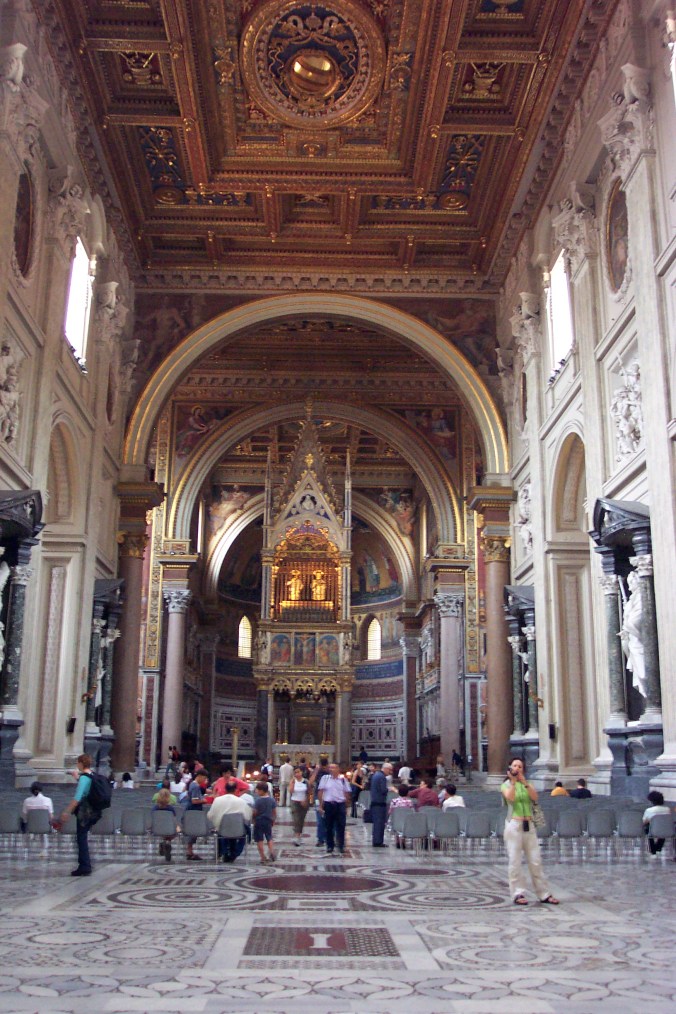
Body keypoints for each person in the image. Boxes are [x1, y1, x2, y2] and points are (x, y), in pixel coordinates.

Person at [501, 757, 559, 906]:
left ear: (523, 769)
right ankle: (517, 893)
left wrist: (524, 782)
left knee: (535, 860)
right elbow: (511, 799)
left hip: (529, 825)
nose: (517, 768)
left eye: (520, 766)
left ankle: (543, 893)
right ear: (510, 768)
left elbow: (535, 798)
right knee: (515, 861)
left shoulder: (528, 785)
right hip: (514, 824)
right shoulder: (506, 785)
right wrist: (513, 782)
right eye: (514, 766)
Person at [58, 753, 99, 877]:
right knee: (82, 836)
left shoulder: (84, 778)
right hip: (93, 810)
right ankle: (85, 864)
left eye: (77, 763)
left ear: (81, 763)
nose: (77, 765)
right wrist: (77, 778)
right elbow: (87, 788)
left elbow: (77, 797)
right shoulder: (92, 775)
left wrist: (67, 811)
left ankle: (84, 866)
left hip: (84, 811)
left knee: (81, 837)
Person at [208, 781, 252, 862]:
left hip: (222, 830)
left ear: (225, 789)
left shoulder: (217, 800)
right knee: (246, 830)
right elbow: (247, 817)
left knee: (222, 831)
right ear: (236, 790)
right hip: (237, 830)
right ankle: (235, 853)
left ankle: (223, 852)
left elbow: (210, 816)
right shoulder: (241, 802)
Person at [317, 762, 352, 855]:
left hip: (340, 804)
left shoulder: (343, 780)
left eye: (334, 767)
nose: (331, 769)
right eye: (330, 767)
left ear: (338, 769)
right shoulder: (325, 779)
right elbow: (320, 791)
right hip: (329, 804)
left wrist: (347, 805)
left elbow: (347, 792)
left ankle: (340, 845)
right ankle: (330, 845)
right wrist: (320, 805)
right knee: (328, 826)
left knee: (341, 825)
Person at [184, 770, 209, 860]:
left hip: (193, 811)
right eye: (204, 778)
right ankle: (189, 851)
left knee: (193, 832)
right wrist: (204, 800)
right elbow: (194, 800)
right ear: (199, 776)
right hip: (193, 811)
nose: (204, 780)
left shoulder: (193, 785)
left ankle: (190, 851)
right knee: (192, 831)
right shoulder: (195, 786)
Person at [152, 788, 181, 862]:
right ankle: (167, 842)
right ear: (169, 797)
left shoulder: (155, 808)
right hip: (169, 830)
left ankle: (163, 843)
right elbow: (174, 820)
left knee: (163, 829)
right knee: (175, 831)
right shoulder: (170, 809)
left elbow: (152, 820)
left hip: (157, 829)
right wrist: (178, 827)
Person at [252, 781, 276, 863]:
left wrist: (253, 818)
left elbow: (255, 812)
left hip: (259, 821)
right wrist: (273, 819)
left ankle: (263, 857)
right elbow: (274, 811)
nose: (257, 792)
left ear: (262, 790)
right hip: (268, 820)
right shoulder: (272, 800)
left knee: (260, 840)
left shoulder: (258, 801)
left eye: (258, 790)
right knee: (269, 837)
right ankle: (272, 851)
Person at [642, 790, 672, 856]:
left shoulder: (649, 810)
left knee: (648, 829)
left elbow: (644, 822)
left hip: (653, 831)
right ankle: (658, 847)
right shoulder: (667, 809)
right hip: (666, 830)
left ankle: (653, 849)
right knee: (663, 828)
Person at [370, 762, 391, 847]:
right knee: (380, 823)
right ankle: (378, 841)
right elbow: (383, 790)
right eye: (390, 770)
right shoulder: (382, 777)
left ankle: (376, 840)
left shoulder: (376, 775)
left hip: (374, 801)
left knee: (376, 823)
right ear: (385, 768)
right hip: (379, 802)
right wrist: (389, 789)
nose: (390, 772)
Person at [310, 757, 329, 847]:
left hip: (328, 796)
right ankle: (321, 838)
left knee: (326, 818)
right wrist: (317, 770)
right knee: (320, 817)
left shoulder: (329, 772)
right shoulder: (318, 772)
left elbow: (311, 782)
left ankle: (325, 838)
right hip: (319, 796)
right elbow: (311, 782)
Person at [289, 767, 311, 845]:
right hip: (295, 801)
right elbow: (291, 791)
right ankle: (296, 836)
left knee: (301, 819)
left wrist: (306, 800)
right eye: (295, 772)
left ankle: (299, 834)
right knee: (296, 819)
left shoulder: (306, 781)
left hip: (303, 802)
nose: (297, 774)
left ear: (301, 772)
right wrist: (292, 783)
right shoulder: (293, 781)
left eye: (298, 772)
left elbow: (308, 792)